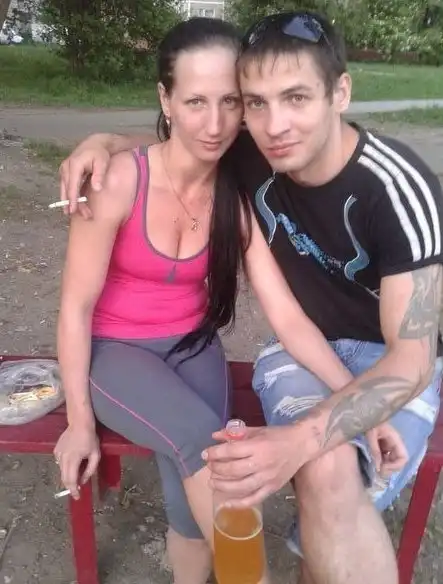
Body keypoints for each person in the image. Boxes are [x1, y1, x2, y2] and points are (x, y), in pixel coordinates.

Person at [55, 12, 429, 584]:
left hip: (200, 345)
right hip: (119, 351)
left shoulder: (244, 189)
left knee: (197, 488)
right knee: (208, 453)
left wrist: (358, 407)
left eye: (231, 102)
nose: (217, 123)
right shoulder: (125, 181)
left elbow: (293, 320)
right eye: (196, 102)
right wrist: (79, 421)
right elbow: (76, 307)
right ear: (166, 99)